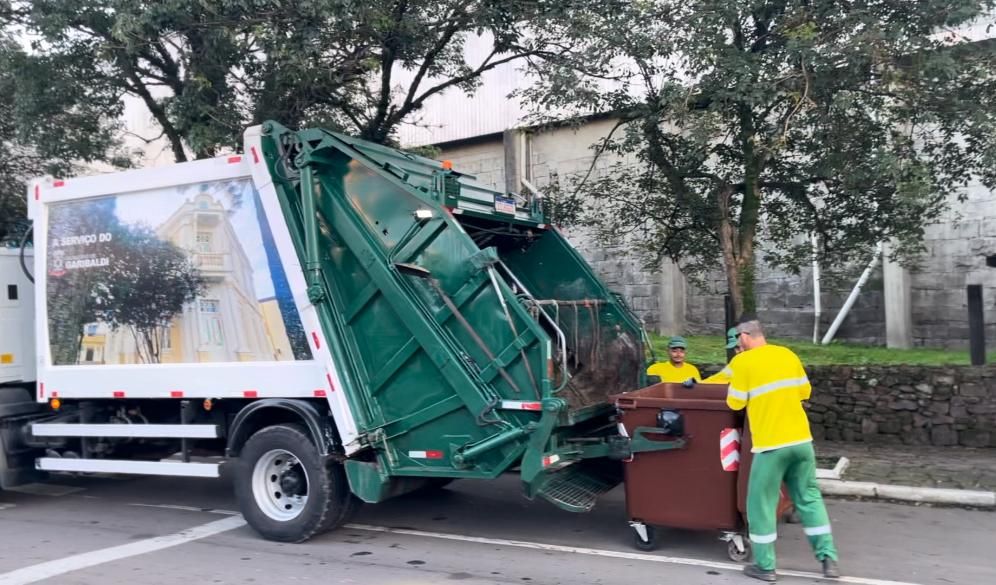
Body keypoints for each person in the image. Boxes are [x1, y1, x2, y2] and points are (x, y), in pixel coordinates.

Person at [726, 317, 839, 582]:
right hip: (801, 442)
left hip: (771, 447)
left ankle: (765, 567)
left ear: (743, 337)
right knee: (809, 499)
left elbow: (734, 403)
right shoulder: (787, 354)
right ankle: (828, 559)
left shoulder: (743, 362)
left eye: (737, 340)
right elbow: (804, 392)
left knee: (761, 505)